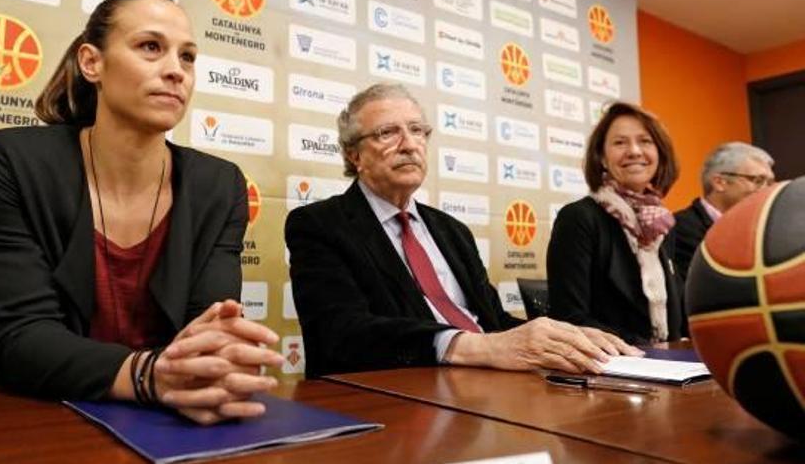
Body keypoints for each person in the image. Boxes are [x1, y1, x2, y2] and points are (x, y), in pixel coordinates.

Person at [0, 0, 283, 425]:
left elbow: (207, 335)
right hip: (41, 417)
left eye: (188, 56)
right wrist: (146, 375)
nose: (176, 70)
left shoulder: (220, 185)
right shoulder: (14, 160)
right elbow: (21, 339)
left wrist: (212, 361)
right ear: (91, 62)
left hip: (170, 422)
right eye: (151, 47)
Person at [284, 83, 641, 379]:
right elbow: (340, 334)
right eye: (387, 132)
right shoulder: (319, 224)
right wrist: (471, 346)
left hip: (487, 390)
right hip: (399, 399)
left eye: (417, 130)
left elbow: (493, 323)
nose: (409, 144)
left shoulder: (451, 230)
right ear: (354, 156)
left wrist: (568, 339)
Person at [547, 102, 684, 345]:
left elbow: (676, 317)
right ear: (601, 156)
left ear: (659, 153)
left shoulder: (662, 224)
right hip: (612, 368)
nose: (634, 151)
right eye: (620, 143)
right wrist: (644, 353)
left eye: (645, 141)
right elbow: (569, 318)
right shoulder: (579, 218)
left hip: (667, 365)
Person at [672, 142, 774, 284]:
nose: (766, 190)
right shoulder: (679, 229)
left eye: (769, 183)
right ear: (719, 182)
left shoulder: (765, 229)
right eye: (758, 181)